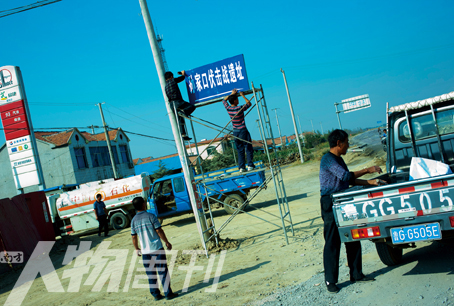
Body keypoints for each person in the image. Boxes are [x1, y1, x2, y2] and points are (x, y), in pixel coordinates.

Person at [319, 129, 387, 293]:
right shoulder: (328, 160)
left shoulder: (339, 159)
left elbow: (350, 180)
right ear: (338, 143)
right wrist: (367, 169)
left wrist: (370, 183)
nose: (348, 146)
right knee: (332, 242)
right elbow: (346, 177)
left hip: (344, 201)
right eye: (347, 143)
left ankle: (356, 274)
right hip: (331, 202)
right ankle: (331, 281)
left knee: (353, 235)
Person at [130, 196, 178, 301]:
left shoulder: (133, 221)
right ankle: (168, 293)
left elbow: (134, 236)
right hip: (157, 248)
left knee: (151, 274)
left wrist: (137, 248)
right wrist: (166, 242)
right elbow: (159, 230)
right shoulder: (151, 216)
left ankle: (156, 295)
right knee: (162, 271)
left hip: (145, 252)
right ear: (143, 204)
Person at [223, 89, 255, 172]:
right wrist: (243, 95)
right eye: (237, 99)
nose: (238, 100)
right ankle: (250, 165)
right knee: (248, 147)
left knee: (240, 150)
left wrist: (231, 93)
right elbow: (249, 103)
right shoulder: (240, 108)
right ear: (234, 100)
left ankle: (241, 167)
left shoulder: (229, 109)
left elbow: (223, 100)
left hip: (235, 132)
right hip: (243, 130)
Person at [165, 70, 196, 141]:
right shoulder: (172, 80)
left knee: (180, 119)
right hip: (178, 101)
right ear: (171, 76)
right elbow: (180, 79)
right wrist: (183, 74)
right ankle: (185, 112)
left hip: (171, 105)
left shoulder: (166, 86)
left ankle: (183, 135)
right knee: (192, 106)